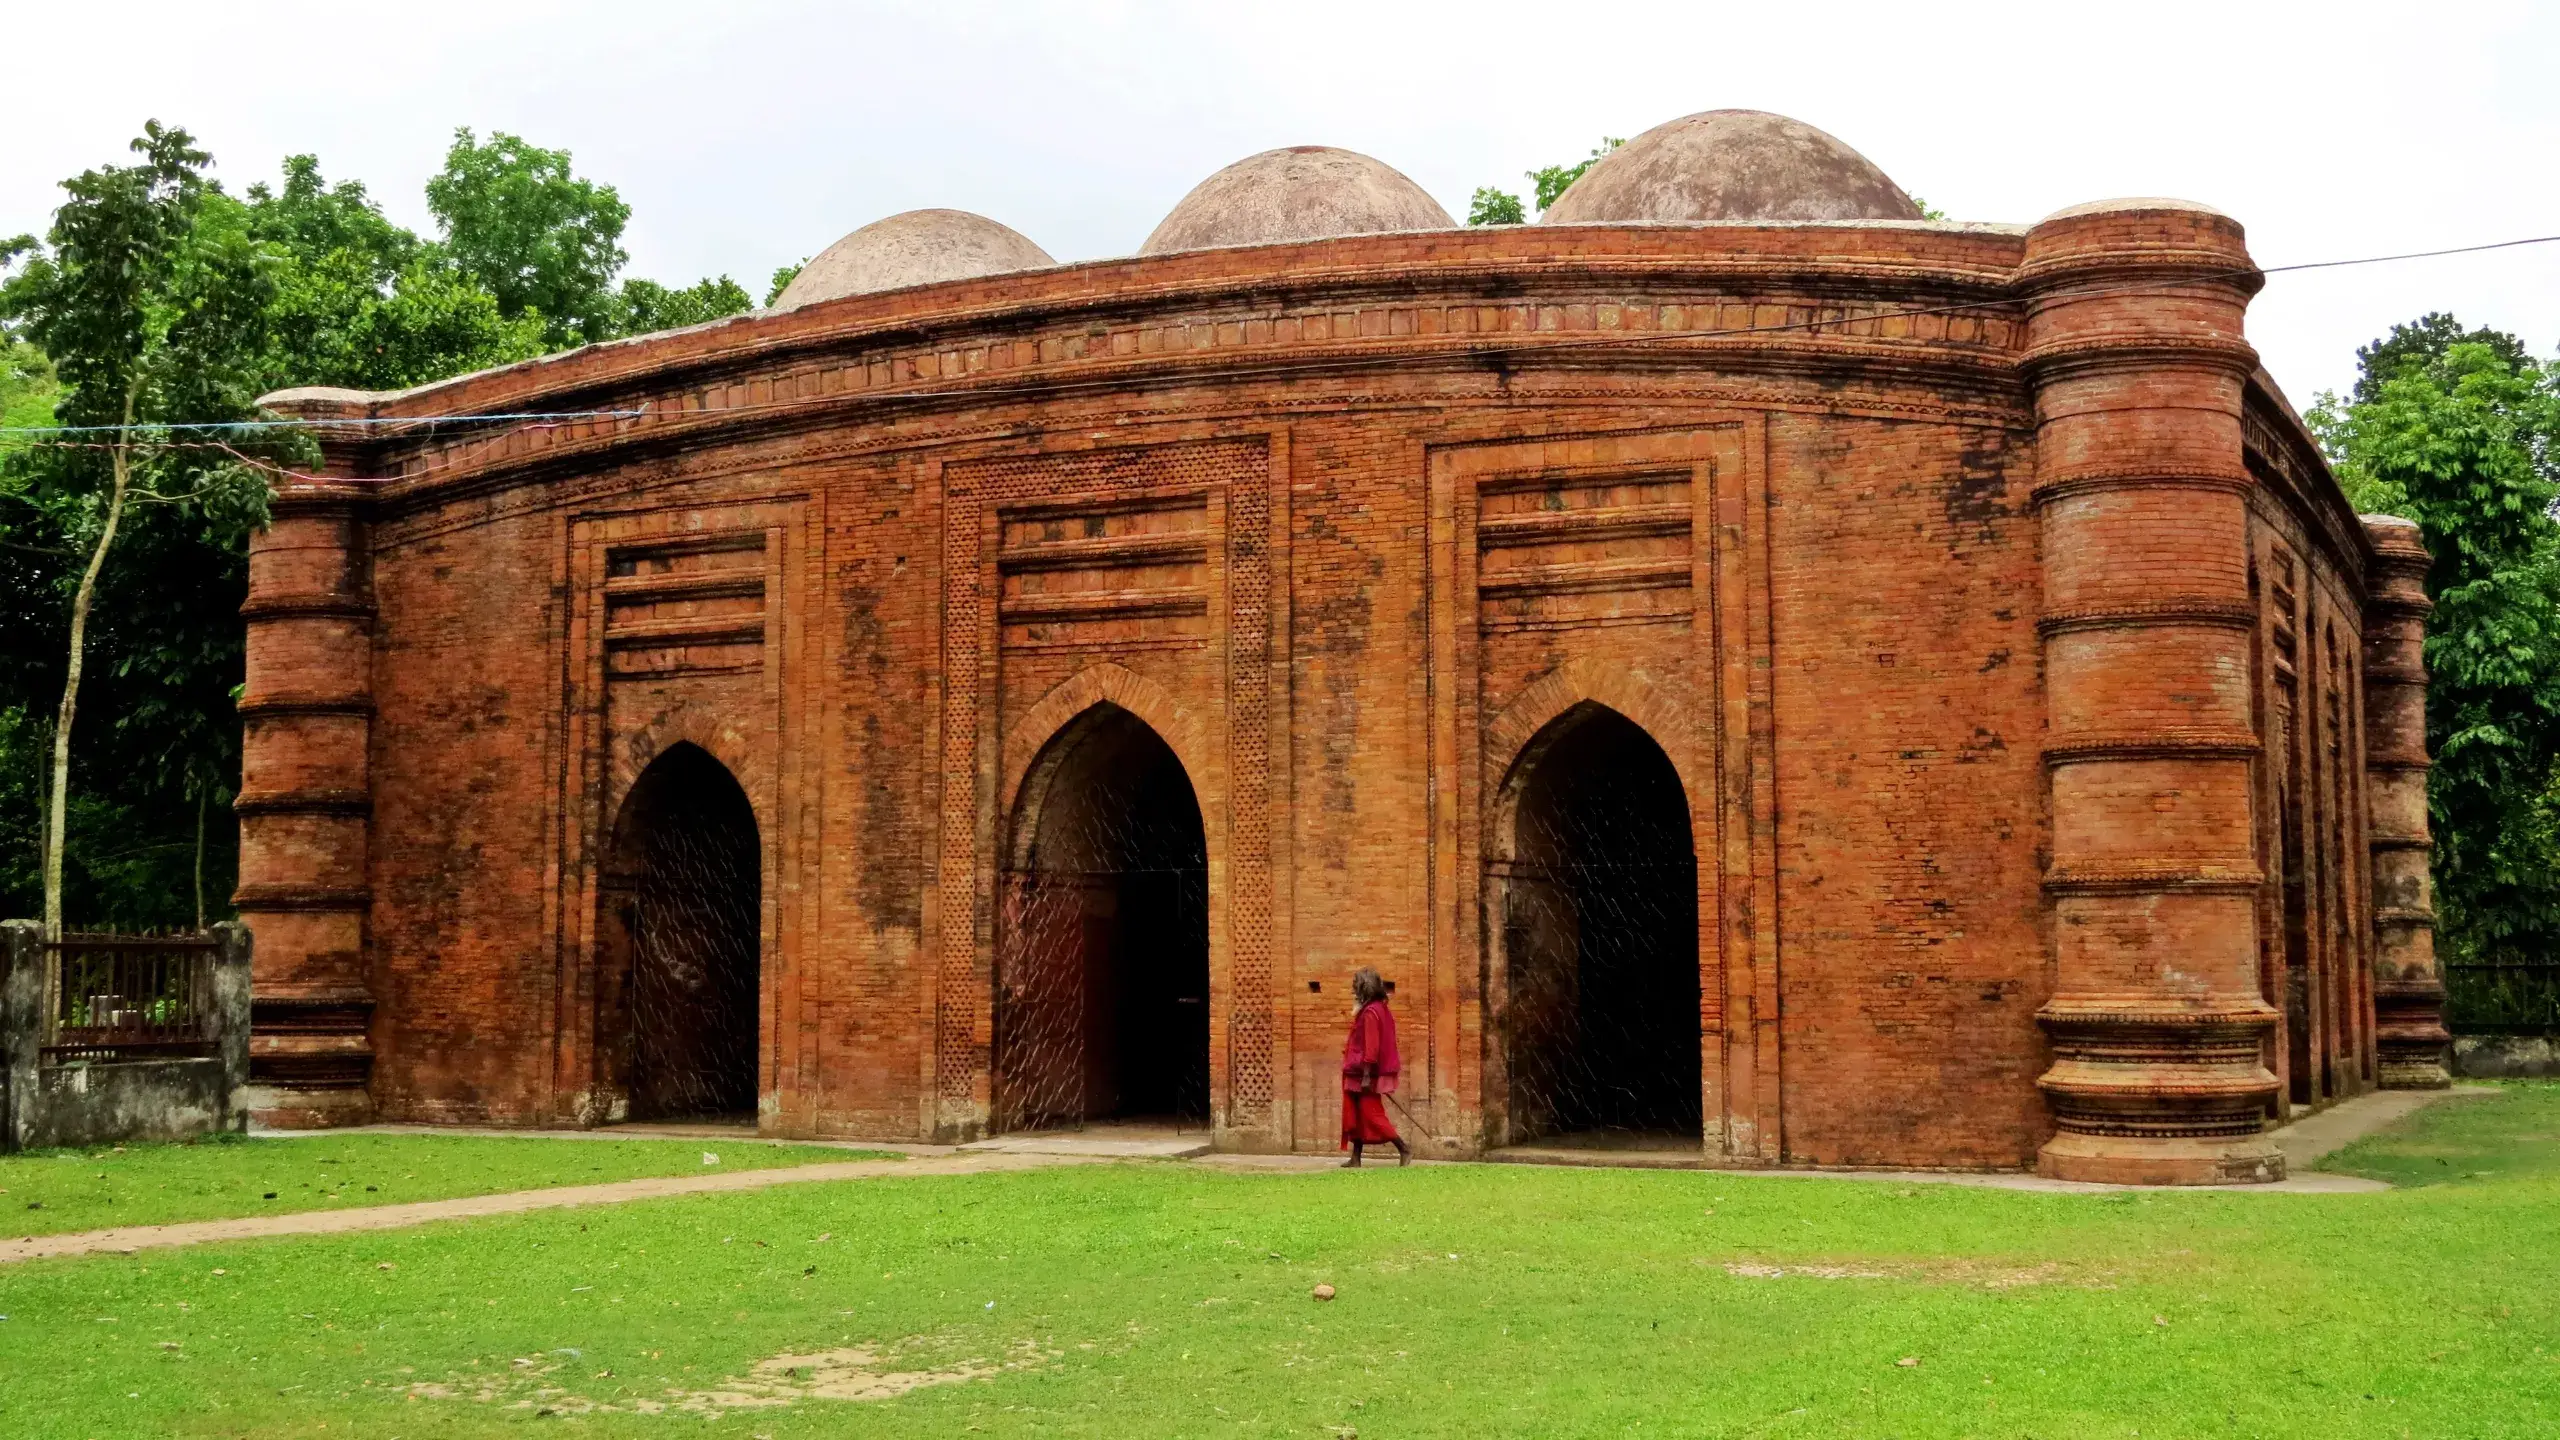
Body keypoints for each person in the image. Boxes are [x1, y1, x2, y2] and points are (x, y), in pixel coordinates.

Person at [1340, 967, 1410, 1167]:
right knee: (1356, 1114)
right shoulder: (1377, 1009)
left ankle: (1403, 1148)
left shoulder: (1371, 1012)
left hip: (1363, 1072)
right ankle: (1356, 1158)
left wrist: (1366, 1076)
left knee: (1372, 1114)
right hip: (1356, 1070)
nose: (1353, 991)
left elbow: (1372, 1048)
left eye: (1355, 987)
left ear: (1364, 989)